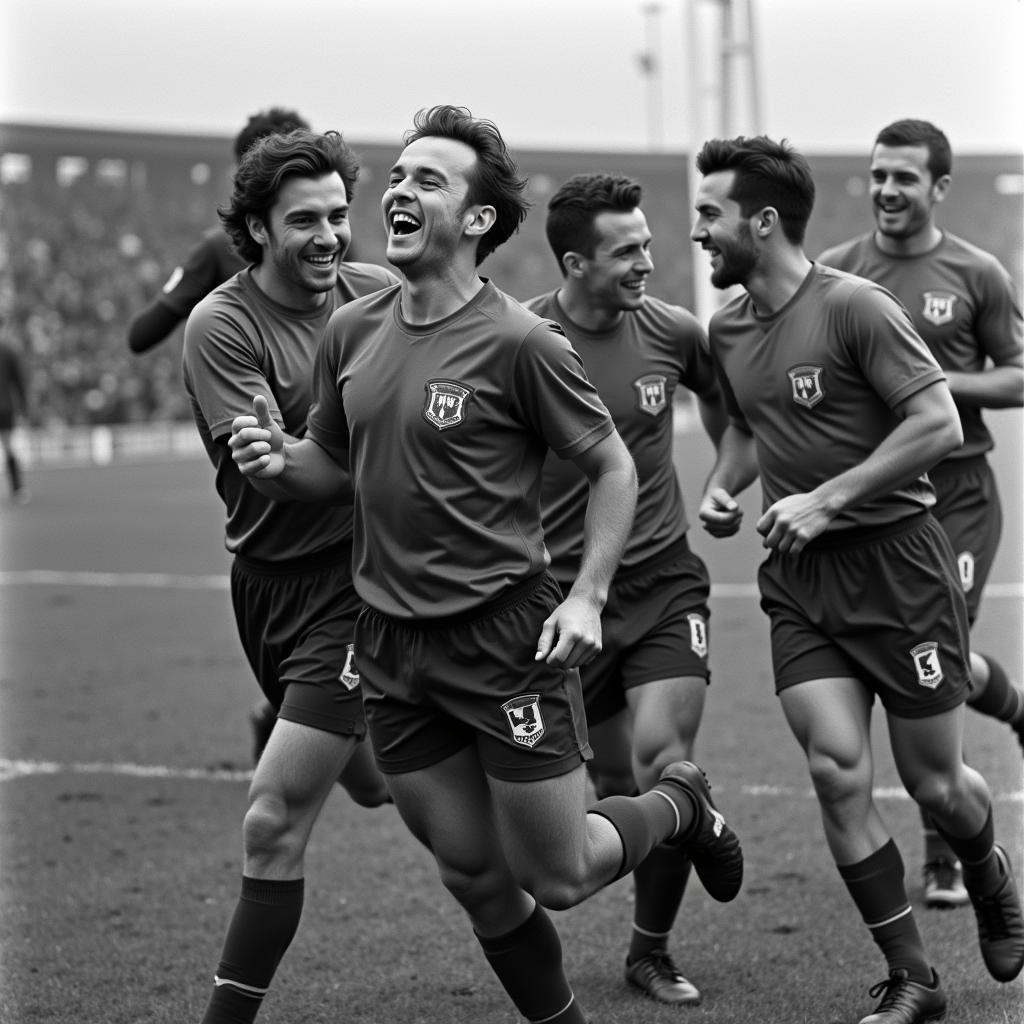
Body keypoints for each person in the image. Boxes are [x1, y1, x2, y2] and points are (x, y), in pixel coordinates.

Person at [230, 104, 744, 1024]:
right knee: (475, 877)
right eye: (397, 176)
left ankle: (679, 803)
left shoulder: (520, 341)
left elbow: (612, 465)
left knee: (562, 872)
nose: (397, 190)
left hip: (503, 640)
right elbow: (330, 465)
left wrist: (587, 595)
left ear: (475, 221)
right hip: (390, 648)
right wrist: (278, 461)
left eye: (429, 180)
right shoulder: (352, 331)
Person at [691, 134, 1023, 1024]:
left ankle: (989, 872)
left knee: (938, 786)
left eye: (710, 214)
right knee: (839, 773)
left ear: (761, 222)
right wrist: (728, 487)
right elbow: (750, 430)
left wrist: (829, 499)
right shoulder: (726, 327)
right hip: (802, 580)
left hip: (900, 567)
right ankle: (914, 976)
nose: (698, 233)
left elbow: (936, 421)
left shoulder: (854, 307)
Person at [181, 127, 397, 1024]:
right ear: (259, 230)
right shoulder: (223, 325)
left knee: (271, 823)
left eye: (339, 217)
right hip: (266, 585)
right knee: (381, 786)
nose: (329, 237)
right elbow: (277, 469)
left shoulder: (380, 295)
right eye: (303, 219)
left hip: (358, 582)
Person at [525, 172, 728, 1006]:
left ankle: (651, 950)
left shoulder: (676, 331)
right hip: (565, 595)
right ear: (576, 261)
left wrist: (725, 478)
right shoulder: (520, 337)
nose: (649, 261)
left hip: (662, 579)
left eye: (649, 243)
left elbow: (731, 409)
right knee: (611, 786)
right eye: (628, 251)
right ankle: (681, 817)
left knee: (658, 760)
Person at [817, 118, 1024, 911]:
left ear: (939, 187)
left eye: (905, 178)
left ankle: (944, 857)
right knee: (924, 662)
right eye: (879, 176)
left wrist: (928, 383)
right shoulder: (836, 273)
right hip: (878, 505)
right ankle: (1010, 704)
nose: (888, 190)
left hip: (959, 495)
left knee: (937, 658)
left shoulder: (977, 274)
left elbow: (1014, 377)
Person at [129, 105, 312, 762]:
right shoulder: (226, 295)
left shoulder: (339, 269)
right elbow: (143, 335)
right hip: (251, 436)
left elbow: (140, 333)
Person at [0, 333, 30, 504]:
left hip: (4, 407)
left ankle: (17, 488)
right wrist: (24, 406)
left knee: (9, 446)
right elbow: (19, 381)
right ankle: (17, 488)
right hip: (5, 407)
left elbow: (18, 380)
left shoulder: (8, 351)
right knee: (8, 447)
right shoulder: (8, 350)